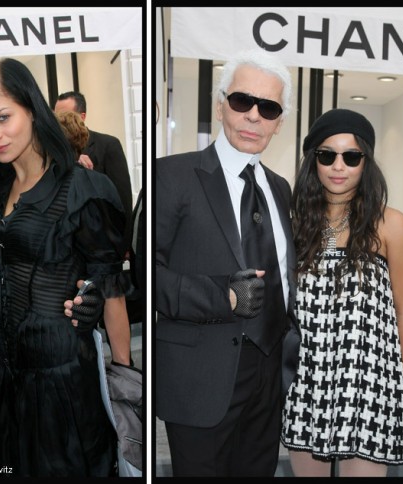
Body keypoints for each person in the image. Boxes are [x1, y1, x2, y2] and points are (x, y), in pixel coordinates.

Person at [0, 58, 128, 477]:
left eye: (3, 118)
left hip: (64, 383)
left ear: (33, 109)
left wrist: (124, 377)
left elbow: (110, 291)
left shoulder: (83, 189)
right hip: (7, 382)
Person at [154, 48, 300, 477]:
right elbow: (145, 279)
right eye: (242, 101)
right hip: (200, 378)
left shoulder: (280, 189)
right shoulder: (170, 176)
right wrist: (224, 296)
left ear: (279, 122)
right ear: (220, 105)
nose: (254, 115)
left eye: (268, 108)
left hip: (268, 380)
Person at [280, 109, 403, 477]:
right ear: (314, 161)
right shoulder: (295, 225)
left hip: (368, 384)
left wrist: (394, 385)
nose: (338, 166)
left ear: (365, 162)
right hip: (306, 382)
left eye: (351, 156)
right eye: (327, 155)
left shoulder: (391, 225)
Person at [55, 109, 132, 365]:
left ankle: (122, 368)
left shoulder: (72, 185)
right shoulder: (96, 181)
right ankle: (123, 366)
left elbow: (123, 200)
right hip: (98, 269)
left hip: (82, 274)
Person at [54, 91, 134, 255]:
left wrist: (125, 246)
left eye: (65, 115)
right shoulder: (52, 153)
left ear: (82, 116)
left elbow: (123, 199)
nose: (59, 121)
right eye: (56, 116)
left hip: (103, 246)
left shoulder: (108, 145)